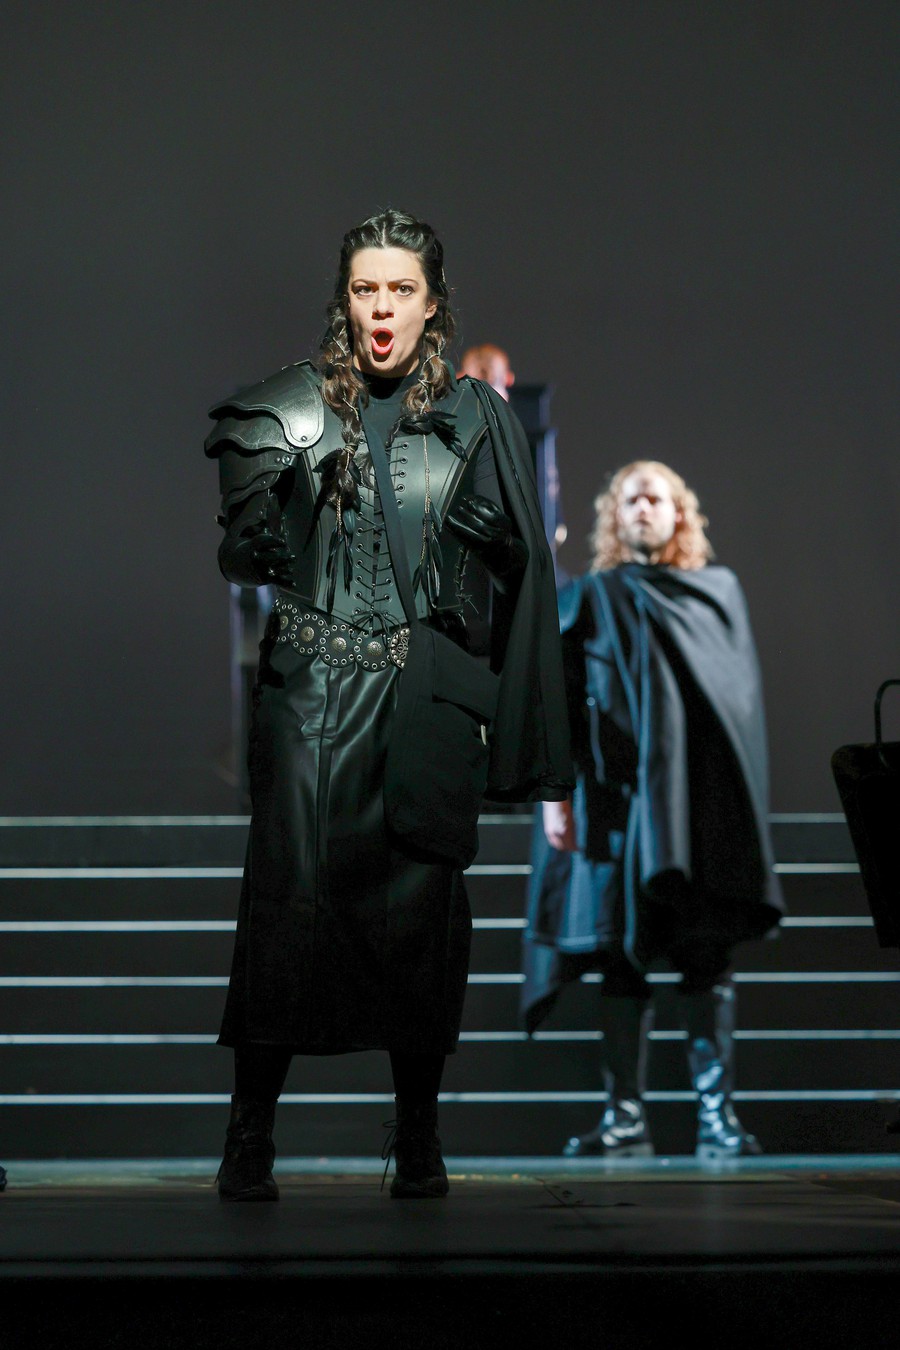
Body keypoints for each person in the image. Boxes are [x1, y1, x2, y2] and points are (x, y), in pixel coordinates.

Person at [205, 209, 572, 1201]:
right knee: (286, 908)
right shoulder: (287, 405)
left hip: (425, 696)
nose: (381, 307)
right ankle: (250, 1136)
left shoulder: (477, 416)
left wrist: (505, 558)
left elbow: (526, 574)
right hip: (311, 697)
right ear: (345, 298)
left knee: (423, 916)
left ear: (431, 303)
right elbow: (241, 541)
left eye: (400, 289)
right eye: (365, 288)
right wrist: (256, 536)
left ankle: (417, 1136)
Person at [522, 461, 784, 1160]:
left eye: (655, 498)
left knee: (705, 953)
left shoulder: (716, 595)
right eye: (630, 498)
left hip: (697, 810)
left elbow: (739, 712)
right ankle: (624, 1116)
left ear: (678, 514)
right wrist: (555, 798)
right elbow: (556, 703)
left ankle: (717, 1118)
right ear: (614, 516)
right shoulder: (591, 596)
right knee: (620, 956)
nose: (642, 507)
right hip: (614, 806)